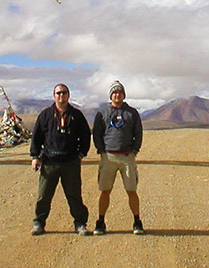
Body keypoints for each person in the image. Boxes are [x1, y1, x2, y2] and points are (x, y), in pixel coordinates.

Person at [29, 83, 91, 236]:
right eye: (58, 93)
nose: (61, 96)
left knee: (74, 195)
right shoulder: (46, 115)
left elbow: (85, 136)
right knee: (44, 195)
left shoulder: (76, 115)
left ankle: (80, 223)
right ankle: (39, 223)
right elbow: (36, 137)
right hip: (49, 161)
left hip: (71, 162)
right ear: (54, 96)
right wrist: (35, 157)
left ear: (68, 95)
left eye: (64, 93)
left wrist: (81, 154)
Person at [92, 80, 144, 235]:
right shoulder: (103, 113)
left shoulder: (132, 113)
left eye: (120, 92)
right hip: (109, 157)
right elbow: (97, 134)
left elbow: (138, 133)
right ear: (110, 95)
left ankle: (137, 221)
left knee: (131, 190)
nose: (117, 95)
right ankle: (100, 222)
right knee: (105, 190)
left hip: (127, 157)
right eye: (114, 92)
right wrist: (101, 151)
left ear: (124, 94)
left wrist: (135, 151)